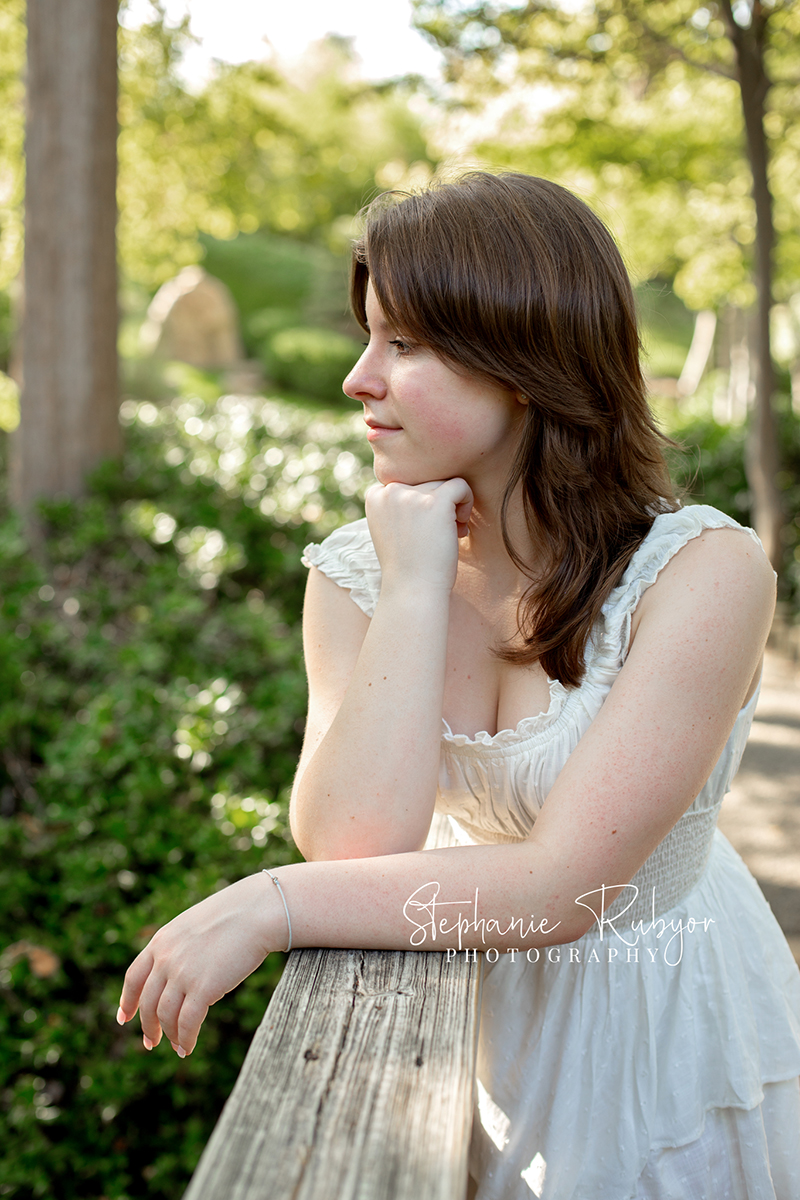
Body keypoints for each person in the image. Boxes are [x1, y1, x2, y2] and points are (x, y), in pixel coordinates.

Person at [118, 173, 800, 1198]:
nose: (357, 378)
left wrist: (269, 906)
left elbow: (570, 889)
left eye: (402, 344)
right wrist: (414, 585)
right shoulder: (360, 571)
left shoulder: (702, 573)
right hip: (466, 1021)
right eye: (366, 338)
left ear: (520, 359)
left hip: (659, 1031)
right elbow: (354, 839)